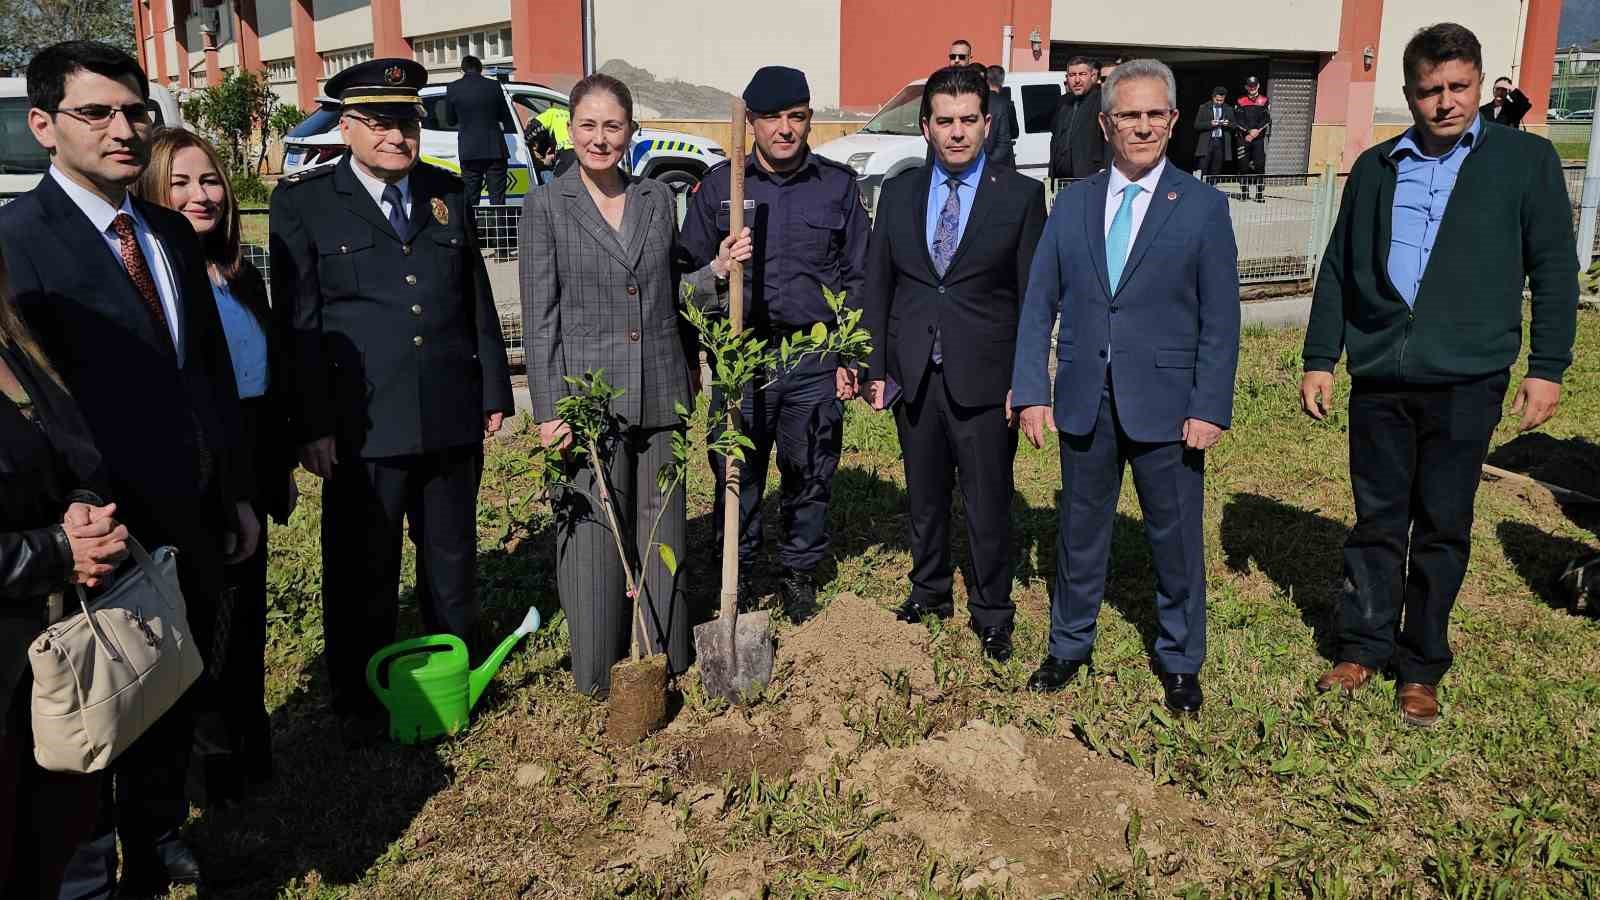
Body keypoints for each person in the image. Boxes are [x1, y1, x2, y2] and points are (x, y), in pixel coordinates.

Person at [0, 40, 256, 897]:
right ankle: (89, 859)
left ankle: (159, 831)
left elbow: (206, 371)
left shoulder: (170, 234)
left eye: (136, 112)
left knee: (171, 683)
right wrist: (73, 522)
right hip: (95, 524)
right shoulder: (19, 244)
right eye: (97, 113)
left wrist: (235, 489)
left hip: (189, 507)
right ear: (44, 124)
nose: (124, 130)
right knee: (95, 697)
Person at [1300, 23, 1578, 726]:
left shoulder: (1524, 162)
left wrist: (1546, 369)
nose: (1446, 103)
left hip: (1467, 378)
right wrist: (1319, 358)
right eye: (1430, 91)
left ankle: (1420, 664)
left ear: (1481, 86)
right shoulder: (1375, 168)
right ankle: (1363, 644)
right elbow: (1337, 269)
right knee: (1378, 518)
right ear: (1409, 94)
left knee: (1444, 523)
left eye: (1459, 88)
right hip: (1382, 376)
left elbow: (1553, 271)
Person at [269, 58, 514, 741]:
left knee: (452, 558)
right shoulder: (305, 203)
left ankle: (450, 674)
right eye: (379, 122)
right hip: (361, 425)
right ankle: (358, 694)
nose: (397, 136)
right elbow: (298, 325)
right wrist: (309, 425)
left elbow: (475, 299)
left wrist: (494, 387)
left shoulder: (447, 192)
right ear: (347, 128)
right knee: (362, 567)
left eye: (406, 121)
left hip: (448, 412)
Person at [1012, 58, 1240, 713]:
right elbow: (1039, 303)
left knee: (1175, 539)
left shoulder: (1202, 208)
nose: (1141, 127)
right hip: (1086, 398)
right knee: (1081, 532)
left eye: (1154, 114)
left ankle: (1179, 660)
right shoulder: (1075, 202)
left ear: (1172, 121)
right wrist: (1032, 389)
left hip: (1169, 408)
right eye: (1128, 115)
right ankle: (1067, 646)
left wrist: (1209, 405)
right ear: (1107, 123)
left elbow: (1221, 320)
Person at [522, 74, 748, 695]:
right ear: (571, 129)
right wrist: (548, 408)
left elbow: (668, 291)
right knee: (595, 530)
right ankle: (596, 672)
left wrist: (716, 270)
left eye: (612, 126)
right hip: (588, 402)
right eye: (588, 125)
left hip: (660, 387)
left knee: (661, 524)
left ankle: (666, 655)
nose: (600, 138)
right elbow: (540, 318)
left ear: (630, 131)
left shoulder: (653, 199)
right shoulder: (546, 206)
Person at [858, 65, 1046, 663]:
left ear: (988, 125)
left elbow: (1032, 300)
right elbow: (878, 284)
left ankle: (993, 612)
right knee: (925, 496)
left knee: (989, 501)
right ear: (926, 126)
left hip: (987, 381)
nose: (958, 133)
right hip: (915, 373)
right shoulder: (901, 193)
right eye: (946, 121)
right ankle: (930, 591)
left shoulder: (1018, 197)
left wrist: (1028, 380)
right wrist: (875, 365)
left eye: (969, 121)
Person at [134, 128, 297, 805]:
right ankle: (206, 769)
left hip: (252, 453)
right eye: (181, 182)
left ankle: (247, 744)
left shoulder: (241, 273)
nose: (200, 196)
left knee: (246, 613)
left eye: (209, 182)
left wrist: (276, 465)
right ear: (152, 191)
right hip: (199, 468)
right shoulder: (154, 283)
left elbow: (266, 376)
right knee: (201, 623)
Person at [679, 67, 870, 617]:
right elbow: (686, 272)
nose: (785, 129)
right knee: (736, 471)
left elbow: (859, 276)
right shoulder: (720, 186)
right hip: (743, 358)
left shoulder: (836, 186)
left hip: (812, 358)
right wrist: (697, 347)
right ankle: (736, 570)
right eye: (771, 119)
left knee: (810, 468)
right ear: (753, 123)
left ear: (809, 119)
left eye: (797, 117)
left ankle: (797, 571)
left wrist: (851, 356)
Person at [0, 260, 124, 898]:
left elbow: (79, 453)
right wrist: (55, 551)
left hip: (59, 648)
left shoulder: (17, 349)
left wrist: (80, 500)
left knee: (72, 833)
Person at [446, 55, 517, 205]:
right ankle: (499, 228)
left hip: (469, 150)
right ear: (480, 69)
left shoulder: (453, 88)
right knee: (497, 200)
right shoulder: (494, 86)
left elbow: (450, 120)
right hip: (495, 149)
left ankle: (472, 228)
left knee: (471, 200)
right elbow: (505, 116)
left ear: (462, 70)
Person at [1049, 56, 1107, 180]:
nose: (1077, 80)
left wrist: (1105, 170)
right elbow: (1055, 138)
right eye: (1072, 75)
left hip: (1089, 177)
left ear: (1092, 76)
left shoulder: (1103, 101)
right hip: (1060, 180)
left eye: (1082, 74)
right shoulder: (1063, 102)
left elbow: (1111, 140)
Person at [1234, 75, 1270, 202]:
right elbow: (1237, 121)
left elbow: (1267, 120)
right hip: (1243, 139)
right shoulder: (1240, 101)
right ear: (1246, 87)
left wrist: (1255, 133)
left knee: (1260, 166)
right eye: (1250, 86)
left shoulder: (1264, 100)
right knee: (1243, 166)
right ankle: (1244, 193)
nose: (1252, 88)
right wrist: (1249, 132)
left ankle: (1259, 194)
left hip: (1258, 140)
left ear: (1258, 86)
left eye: (1254, 86)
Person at [1191, 86, 1234, 179]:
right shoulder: (1204, 107)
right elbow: (1196, 125)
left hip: (1220, 142)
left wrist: (1228, 124)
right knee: (1202, 168)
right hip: (1207, 142)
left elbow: (1234, 125)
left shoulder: (1228, 108)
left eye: (1221, 100)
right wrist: (1210, 124)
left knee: (1216, 170)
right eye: (1217, 100)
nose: (1219, 102)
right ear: (1213, 97)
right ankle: (1201, 190)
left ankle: (1213, 190)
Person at [984, 64, 1017, 170]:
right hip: (1003, 162)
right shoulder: (1007, 104)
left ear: (986, 80)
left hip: (982, 158)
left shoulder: (978, 101)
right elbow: (1015, 132)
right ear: (1002, 81)